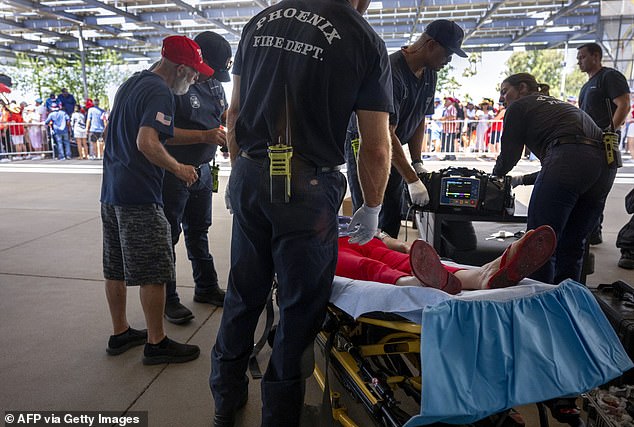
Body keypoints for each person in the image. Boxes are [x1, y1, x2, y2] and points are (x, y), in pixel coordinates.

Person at [210, 1, 393, 426]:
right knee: (298, 308)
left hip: (253, 171)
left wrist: (240, 175)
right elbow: (376, 144)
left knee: (243, 294)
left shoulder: (262, 20)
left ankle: (225, 399)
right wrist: (373, 206)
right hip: (307, 186)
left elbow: (234, 113)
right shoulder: (363, 38)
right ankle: (279, 415)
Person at [100, 35, 214, 365]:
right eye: (194, 73)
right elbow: (147, 141)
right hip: (140, 195)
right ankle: (156, 342)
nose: (195, 80)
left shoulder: (131, 84)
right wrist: (179, 168)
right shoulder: (161, 91)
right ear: (179, 69)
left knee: (116, 266)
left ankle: (120, 332)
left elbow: (115, 135)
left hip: (112, 192)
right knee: (153, 269)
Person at [346, 19, 467, 238]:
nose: (448, 61)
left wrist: (417, 162)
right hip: (368, 143)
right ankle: (367, 265)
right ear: (430, 45)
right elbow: (384, 133)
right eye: (447, 54)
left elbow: (420, 118)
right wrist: (411, 179)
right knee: (370, 211)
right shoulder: (392, 73)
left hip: (393, 147)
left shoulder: (430, 73)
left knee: (392, 210)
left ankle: (389, 263)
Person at [493, 73, 616, 286]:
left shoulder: (520, 106)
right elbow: (573, 162)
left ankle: (537, 305)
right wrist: (521, 180)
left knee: (539, 243)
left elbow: (509, 157)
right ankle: (566, 302)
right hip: (605, 165)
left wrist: (494, 178)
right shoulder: (560, 106)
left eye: (504, 91)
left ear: (522, 88)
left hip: (569, 158)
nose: (502, 98)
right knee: (573, 244)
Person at [161, 31, 231, 324]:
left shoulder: (214, 85)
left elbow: (224, 115)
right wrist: (205, 135)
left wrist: (230, 134)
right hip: (174, 171)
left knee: (199, 230)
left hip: (203, 170)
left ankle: (206, 286)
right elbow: (160, 135)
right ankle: (168, 298)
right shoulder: (171, 86)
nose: (205, 77)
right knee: (169, 236)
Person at [337, 218, 557, 294]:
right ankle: (413, 282)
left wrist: (397, 243)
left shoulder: (331, 211)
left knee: (400, 260)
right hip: (326, 245)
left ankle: (483, 275)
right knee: (365, 266)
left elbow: (371, 229)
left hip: (361, 236)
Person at [577, 42, 631, 245]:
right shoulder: (586, 85)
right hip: (587, 143)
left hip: (603, 143)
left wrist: (609, 131)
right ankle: (591, 231)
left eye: (582, 57)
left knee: (596, 189)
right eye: (578, 58)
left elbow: (624, 104)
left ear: (596, 56)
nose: (579, 61)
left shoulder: (609, 77)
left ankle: (592, 231)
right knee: (586, 189)